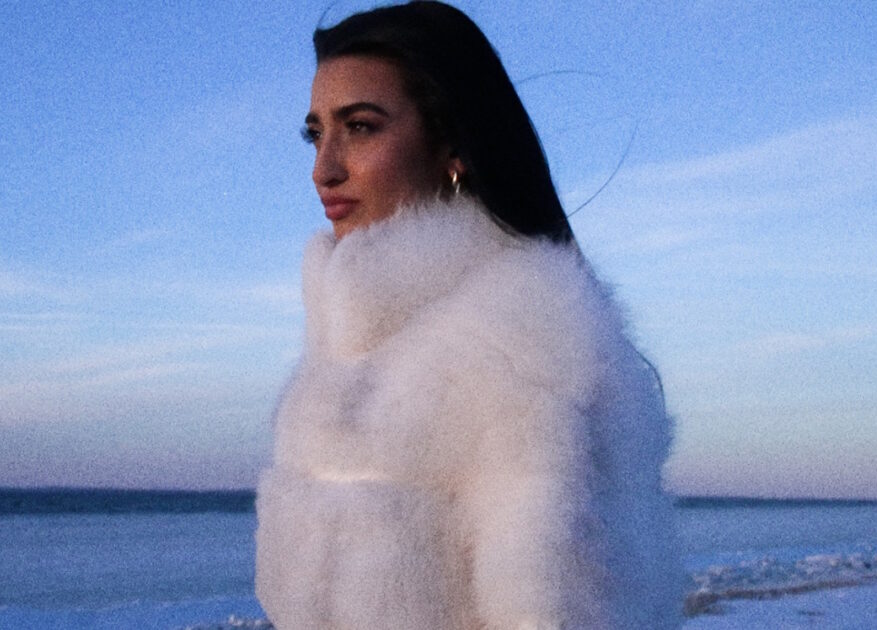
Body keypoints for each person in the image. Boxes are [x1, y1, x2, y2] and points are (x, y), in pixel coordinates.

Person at [254, 2, 682, 628]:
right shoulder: (343, 346)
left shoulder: (527, 340)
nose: (324, 169)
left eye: (361, 127)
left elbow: (554, 613)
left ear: (452, 143)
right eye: (315, 134)